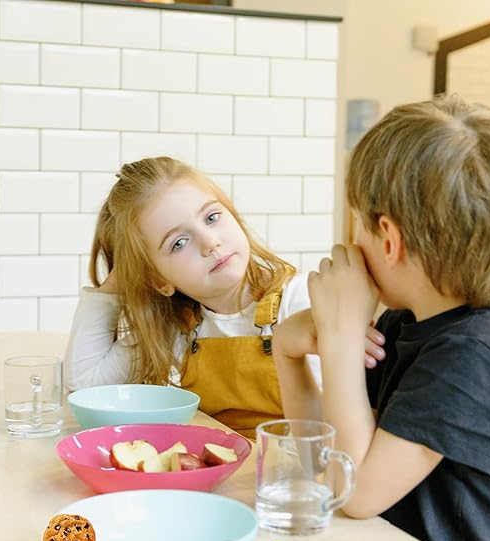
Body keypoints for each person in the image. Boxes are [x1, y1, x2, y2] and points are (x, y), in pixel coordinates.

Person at [272, 94, 490, 541]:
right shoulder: (405, 322)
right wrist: (289, 352)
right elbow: (330, 462)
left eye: (357, 221)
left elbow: (356, 494)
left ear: (388, 239)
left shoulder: (478, 354)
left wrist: (340, 338)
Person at [64, 157, 385, 438]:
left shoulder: (299, 300)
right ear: (159, 281)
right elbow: (85, 385)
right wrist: (116, 284)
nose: (210, 243)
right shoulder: (174, 329)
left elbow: (332, 428)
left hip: (293, 474)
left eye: (212, 217)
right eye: (178, 243)